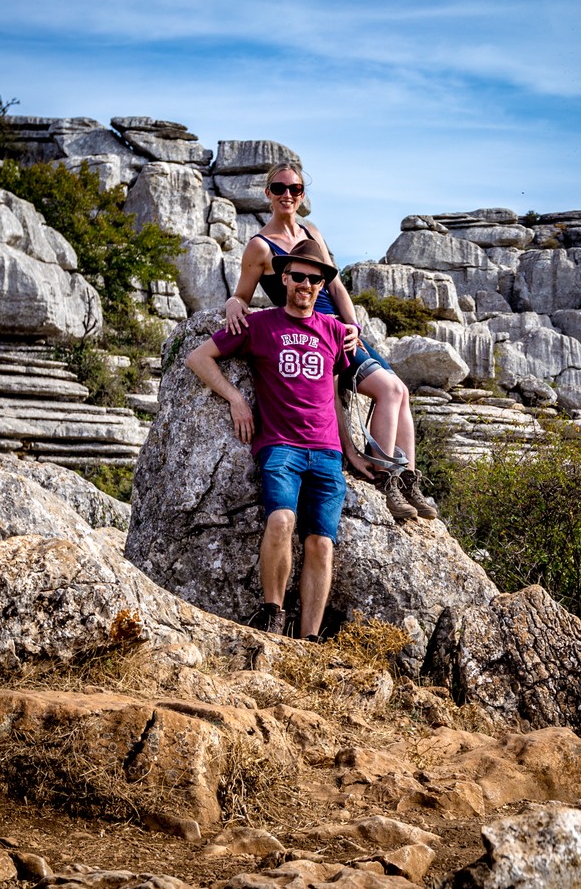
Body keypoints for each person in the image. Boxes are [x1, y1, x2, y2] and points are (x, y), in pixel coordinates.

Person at [224, 164, 437, 524]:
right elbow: (242, 295)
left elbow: (336, 287)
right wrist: (232, 304)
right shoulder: (259, 246)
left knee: (400, 390)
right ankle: (386, 479)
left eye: (295, 188)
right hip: (313, 334)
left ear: (303, 194)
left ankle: (408, 480)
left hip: (342, 330)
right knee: (387, 390)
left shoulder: (313, 232)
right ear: (268, 193)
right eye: (279, 188)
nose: (287, 194)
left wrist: (353, 326)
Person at [185, 240, 351, 641]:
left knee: (321, 545)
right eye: (297, 276)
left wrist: (353, 451)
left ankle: (309, 639)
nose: (305, 285)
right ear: (284, 278)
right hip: (281, 447)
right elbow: (199, 358)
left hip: (327, 452)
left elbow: (336, 395)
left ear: (321, 286)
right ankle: (273, 615)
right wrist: (237, 400)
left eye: (314, 279)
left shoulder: (334, 331)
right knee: (280, 521)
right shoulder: (260, 324)